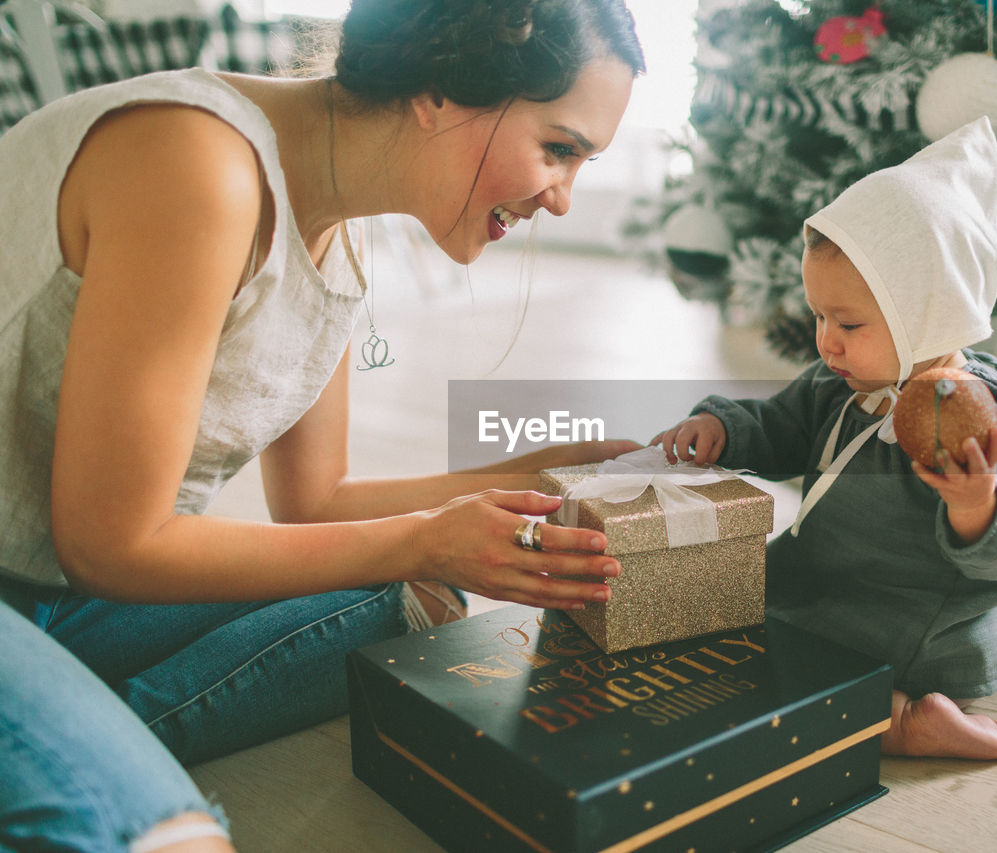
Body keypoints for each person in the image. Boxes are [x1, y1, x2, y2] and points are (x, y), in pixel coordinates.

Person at [0, 0, 644, 849]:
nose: (562, 199)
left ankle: (71, 740)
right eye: (560, 149)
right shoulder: (199, 163)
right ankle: (90, 767)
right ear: (441, 86)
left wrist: (534, 473)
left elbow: (316, 500)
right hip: (71, 570)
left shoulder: (337, 228)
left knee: (411, 600)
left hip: (52, 590)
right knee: (170, 840)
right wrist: (422, 536)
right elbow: (111, 543)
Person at [652, 118, 997, 761]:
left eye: (850, 322)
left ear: (928, 310)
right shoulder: (841, 381)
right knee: (718, 612)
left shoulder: (979, 413)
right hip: (823, 581)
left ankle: (909, 721)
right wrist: (724, 428)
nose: (825, 340)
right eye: (818, 316)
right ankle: (959, 659)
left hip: (907, 624)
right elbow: (780, 426)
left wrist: (976, 502)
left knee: (758, 678)